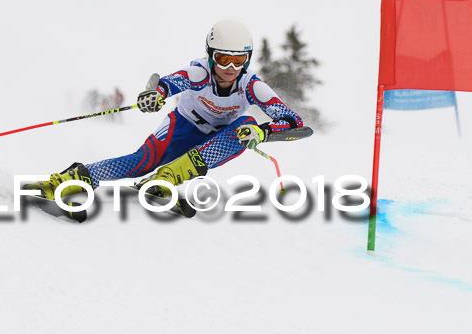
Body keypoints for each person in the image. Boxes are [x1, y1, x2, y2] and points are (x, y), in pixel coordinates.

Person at [25, 20, 304, 213]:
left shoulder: (252, 86)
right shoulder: (200, 73)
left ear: (247, 59)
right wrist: (155, 93)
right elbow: (169, 83)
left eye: (238, 60)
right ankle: (71, 179)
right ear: (210, 55)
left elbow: (294, 123)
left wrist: (264, 132)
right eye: (222, 59)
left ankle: (166, 179)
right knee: (141, 162)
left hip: (218, 139)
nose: (230, 68)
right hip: (181, 127)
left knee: (247, 126)